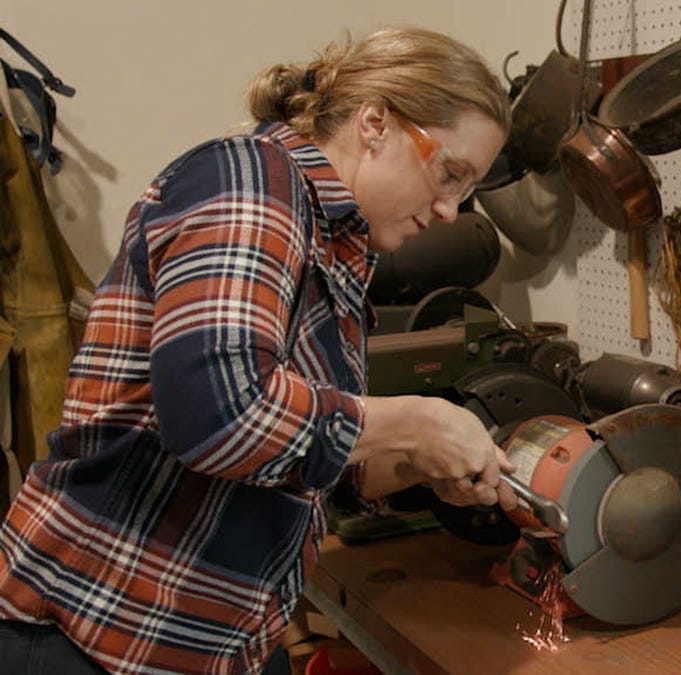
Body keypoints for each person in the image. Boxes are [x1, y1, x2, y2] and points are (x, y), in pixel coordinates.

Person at [0, 26, 517, 674]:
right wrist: (420, 420)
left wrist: (425, 463)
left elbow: (302, 455)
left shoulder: (334, 247)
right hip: (92, 634)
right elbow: (219, 413)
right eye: (450, 173)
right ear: (376, 123)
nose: (450, 210)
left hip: (213, 642)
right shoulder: (252, 181)